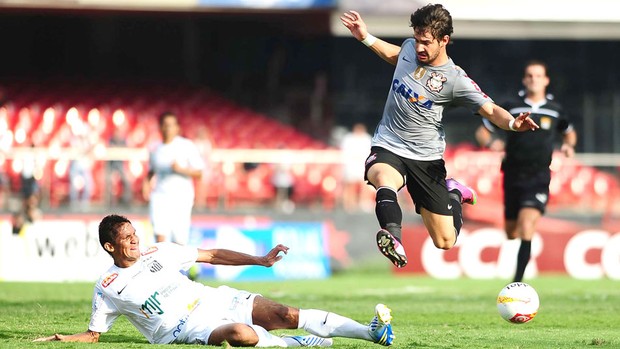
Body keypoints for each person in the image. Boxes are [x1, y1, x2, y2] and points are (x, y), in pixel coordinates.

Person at [339, 4, 539, 268]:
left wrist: (513, 123)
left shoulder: (456, 80)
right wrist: (365, 36)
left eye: (426, 42)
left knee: (444, 240)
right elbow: (397, 57)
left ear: (444, 40)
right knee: (383, 178)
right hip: (389, 143)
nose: (419, 47)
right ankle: (393, 237)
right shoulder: (410, 48)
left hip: (426, 158)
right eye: (417, 39)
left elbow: (489, 108)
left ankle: (453, 192)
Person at [33, 214, 395, 347]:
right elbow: (95, 334)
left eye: (133, 233)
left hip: (215, 299)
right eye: (125, 238)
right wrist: (63, 339)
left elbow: (212, 255)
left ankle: (370, 332)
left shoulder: (159, 252)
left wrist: (259, 260)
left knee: (285, 312)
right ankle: (297, 344)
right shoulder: (108, 285)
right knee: (241, 335)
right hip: (188, 328)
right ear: (110, 246)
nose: (134, 240)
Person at [475, 60, 577, 282]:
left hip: (539, 175)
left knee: (527, 223)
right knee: (511, 231)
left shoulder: (556, 110)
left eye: (538, 76)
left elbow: (569, 132)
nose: (534, 79)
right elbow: (483, 132)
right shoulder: (511, 105)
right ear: (524, 79)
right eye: (530, 76)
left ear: (546, 80)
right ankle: (517, 268)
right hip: (512, 173)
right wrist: (493, 143)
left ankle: (517, 283)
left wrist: (569, 146)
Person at [142, 112, 205, 245]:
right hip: (160, 196)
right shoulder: (155, 149)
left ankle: (181, 266)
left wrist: (180, 169)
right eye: (165, 125)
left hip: (181, 198)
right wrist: (146, 185)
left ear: (177, 128)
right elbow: (151, 171)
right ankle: (163, 266)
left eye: (171, 125)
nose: (168, 128)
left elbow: (199, 173)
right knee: (160, 238)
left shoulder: (186, 146)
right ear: (160, 127)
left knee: (179, 241)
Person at [340, 123, 373, 212]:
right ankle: (349, 204)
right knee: (350, 185)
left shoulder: (367, 138)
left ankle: (364, 202)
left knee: (365, 185)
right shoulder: (348, 139)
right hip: (351, 166)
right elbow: (345, 152)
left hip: (362, 166)